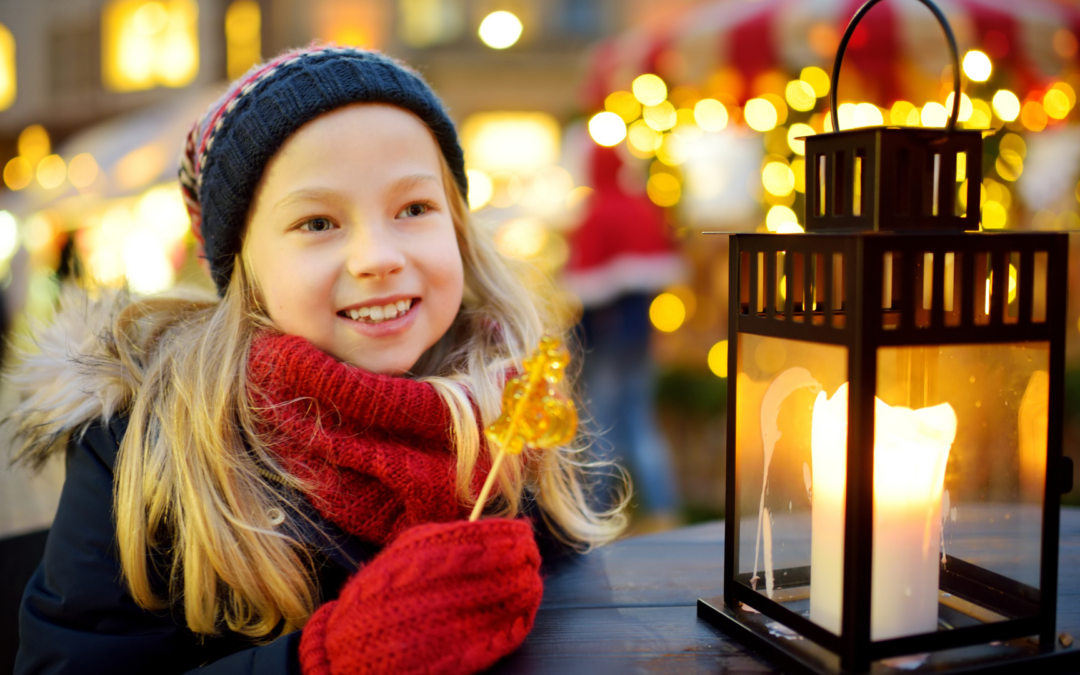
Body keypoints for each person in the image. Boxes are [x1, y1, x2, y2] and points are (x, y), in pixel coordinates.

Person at [5, 46, 627, 675]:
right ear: (243, 266)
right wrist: (318, 662)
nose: (378, 257)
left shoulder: (512, 418)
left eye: (414, 209)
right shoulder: (146, 446)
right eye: (318, 222)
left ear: (459, 227)